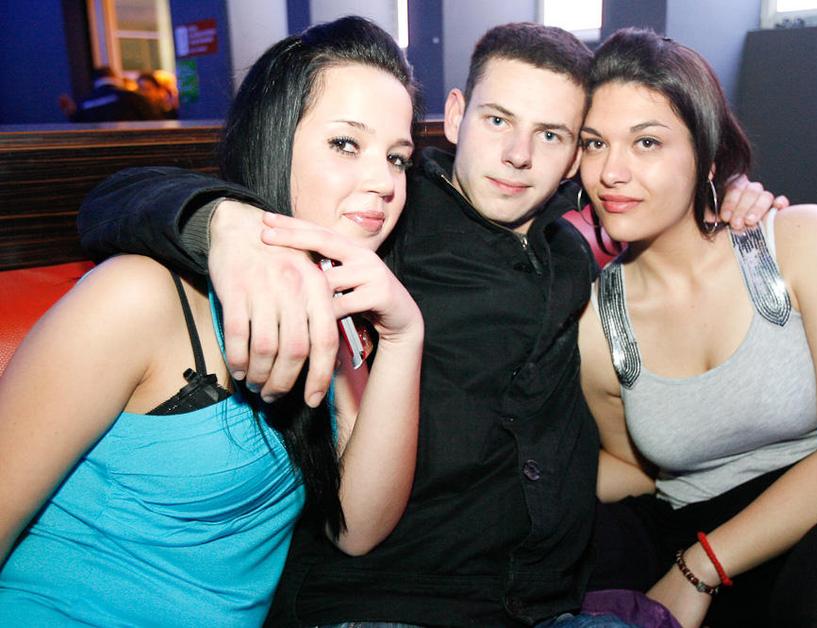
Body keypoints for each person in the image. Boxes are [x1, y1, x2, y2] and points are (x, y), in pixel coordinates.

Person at [75, 22, 779, 626]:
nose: (518, 155)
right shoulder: (388, 213)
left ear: (573, 155)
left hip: (551, 599)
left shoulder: (574, 255)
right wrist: (224, 222)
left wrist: (725, 195)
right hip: (389, 597)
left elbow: (658, 211)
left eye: (550, 134)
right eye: (497, 120)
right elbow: (116, 198)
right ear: (455, 114)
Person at [0, 16, 423, 626]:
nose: (383, 181)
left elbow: (357, 528)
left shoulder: (338, 314)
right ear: (273, 139)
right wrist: (225, 219)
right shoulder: (139, 298)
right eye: (345, 144)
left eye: (397, 158)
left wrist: (404, 337)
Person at [577, 28, 817, 627]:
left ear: (707, 155)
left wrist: (700, 566)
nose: (611, 171)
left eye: (647, 142)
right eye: (595, 143)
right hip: (701, 517)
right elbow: (633, 466)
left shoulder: (800, 240)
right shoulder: (597, 322)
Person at [63, 66, 164, 122]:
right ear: (115, 77)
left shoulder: (84, 104)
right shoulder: (132, 97)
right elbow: (154, 123)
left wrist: (72, 114)